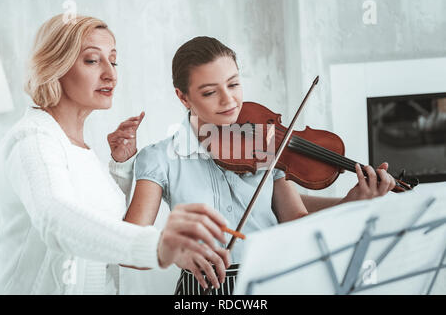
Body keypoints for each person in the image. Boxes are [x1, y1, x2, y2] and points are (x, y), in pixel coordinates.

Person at [115, 36, 396, 295]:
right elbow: (129, 247)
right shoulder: (160, 157)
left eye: (234, 84)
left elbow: (295, 219)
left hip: (272, 281)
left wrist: (352, 200)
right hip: (202, 290)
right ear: (183, 97)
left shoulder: (265, 141)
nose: (229, 100)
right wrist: (174, 251)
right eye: (210, 92)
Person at [0, 16, 229, 295]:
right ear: (55, 65)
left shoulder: (76, 144)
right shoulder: (32, 138)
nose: (111, 74)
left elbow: (99, 228)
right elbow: (56, 219)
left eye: (113, 60)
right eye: (93, 60)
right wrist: (158, 245)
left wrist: (120, 168)